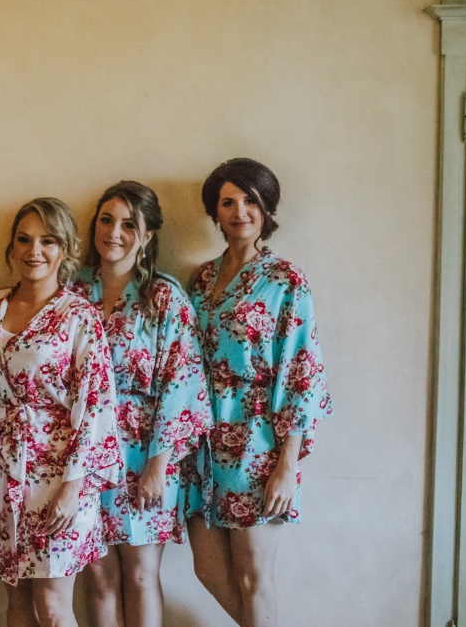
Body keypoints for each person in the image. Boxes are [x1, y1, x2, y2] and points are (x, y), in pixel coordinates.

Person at [185, 159, 332, 627]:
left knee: (253, 576)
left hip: (257, 446)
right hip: (202, 444)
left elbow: (301, 372)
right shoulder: (201, 279)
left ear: (267, 208)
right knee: (207, 569)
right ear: (215, 211)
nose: (239, 211)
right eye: (227, 202)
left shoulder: (285, 280)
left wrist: (287, 464)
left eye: (250, 200)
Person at [0, 197, 122, 627]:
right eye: (23, 239)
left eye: (47, 240)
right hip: (0, 470)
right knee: (17, 602)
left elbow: (95, 403)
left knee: (53, 608)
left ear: (66, 249)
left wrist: (73, 487)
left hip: (59, 476)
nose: (33, 251)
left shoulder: (80, 315)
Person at [73, 181, 211, 627]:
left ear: (148, 236)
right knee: (97, 574)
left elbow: (182, 381)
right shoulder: (73, 295)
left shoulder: (165, 298)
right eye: (106, 220)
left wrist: (159, 462)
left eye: (129, 224)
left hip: (146, 454)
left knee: (139, 573)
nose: (114, 232)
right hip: (85, 453)